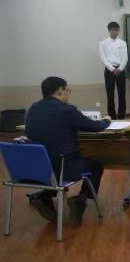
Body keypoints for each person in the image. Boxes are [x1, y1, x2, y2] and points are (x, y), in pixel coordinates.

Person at [25, 77, 111, 225]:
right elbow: (94, 126)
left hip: (37, 169)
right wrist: (107, 120)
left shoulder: (33, 109)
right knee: (95, 165)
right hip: (63, 168)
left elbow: (28, 133)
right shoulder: (66, 110)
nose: (68, 93)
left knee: (56, 169)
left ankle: (44, 196)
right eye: (67, 90)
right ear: (60, 91)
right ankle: (80, 200)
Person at [99, 21, 128, 119]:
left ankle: (121, 115)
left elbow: (125, 57)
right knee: (110, 94)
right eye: (114, 30)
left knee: (122, 94)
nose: (116, 32)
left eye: (117, 30)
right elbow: (103, 58)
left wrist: (120, 68)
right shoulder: (103, 43)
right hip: (109, 70)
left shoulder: (122, 43)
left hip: (121, 70)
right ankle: (112, 116)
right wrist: (112, 69)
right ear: (109, 30)